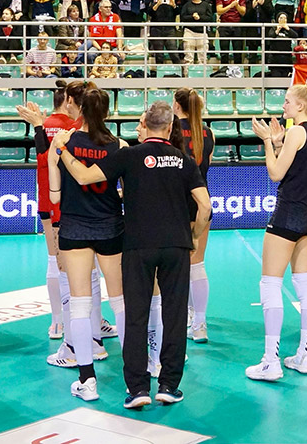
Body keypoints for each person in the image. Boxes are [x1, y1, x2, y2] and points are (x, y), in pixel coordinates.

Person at [53, 101, 212, 409]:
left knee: (135, 316)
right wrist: (192, 236)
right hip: (176, 245)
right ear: (169, 128)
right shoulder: (183, 160)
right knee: (175, 315)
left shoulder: (127, 155)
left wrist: (62, 151)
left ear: (144, 125)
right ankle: (168, 385)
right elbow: (204, 206)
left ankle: (137, 389)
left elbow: (85, 177)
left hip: (138, 245)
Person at [46, 87, 128, 401]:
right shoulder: (119, 145)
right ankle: (132, 372)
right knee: (120, 302)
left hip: (75, 228)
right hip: (110, 227)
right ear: (107, 112)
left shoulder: (63, 143)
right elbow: (128, 191)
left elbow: (55, 195)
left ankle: (87, 379)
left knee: (80, 304)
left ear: (79, 109)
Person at [245, 85, 307, 382]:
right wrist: (280, 144)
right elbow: (298, 166)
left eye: (288, 101)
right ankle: (305, 355)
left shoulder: (297, 132)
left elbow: (276, 173)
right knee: (305, 282)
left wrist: (268, 141)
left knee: (270, 283)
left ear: (302, 106)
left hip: (288, 212)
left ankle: (271, 361)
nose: (284, 105)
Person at [17, 81, 86, 341]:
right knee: (76, 265)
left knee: (52, 259)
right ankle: (78, 322)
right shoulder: (76, 126)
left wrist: (38, 125)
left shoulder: (46, 126)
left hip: (47, 199)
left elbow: (43, 158)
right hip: (70, 200)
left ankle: (57, 322)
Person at [173, 88, 214, 344]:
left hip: (176, 203)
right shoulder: (208, 132)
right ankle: (199, 323)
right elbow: (205, 163)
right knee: (197, 264)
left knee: (179, 266)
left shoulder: (173, 131)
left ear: (177, 106)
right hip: (202, 201)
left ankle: (186, 315)